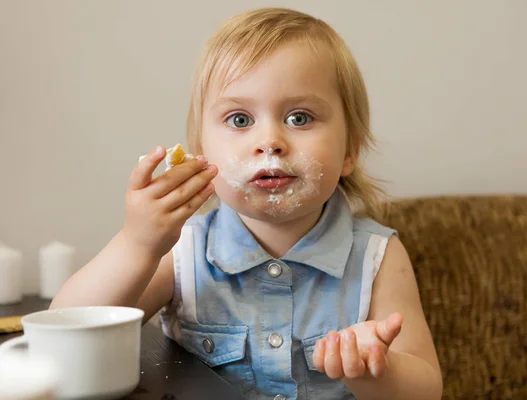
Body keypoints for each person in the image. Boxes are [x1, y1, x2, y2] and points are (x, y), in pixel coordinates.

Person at [51, 7, 442, 400]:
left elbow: (426, 389)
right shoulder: (182, 250)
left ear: (349, 151)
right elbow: (62, 335)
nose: (269, 140)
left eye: (299, 118)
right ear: (202, 152)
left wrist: (376, 370)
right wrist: (136, 243)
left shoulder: (378, 256)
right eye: (240, 120)